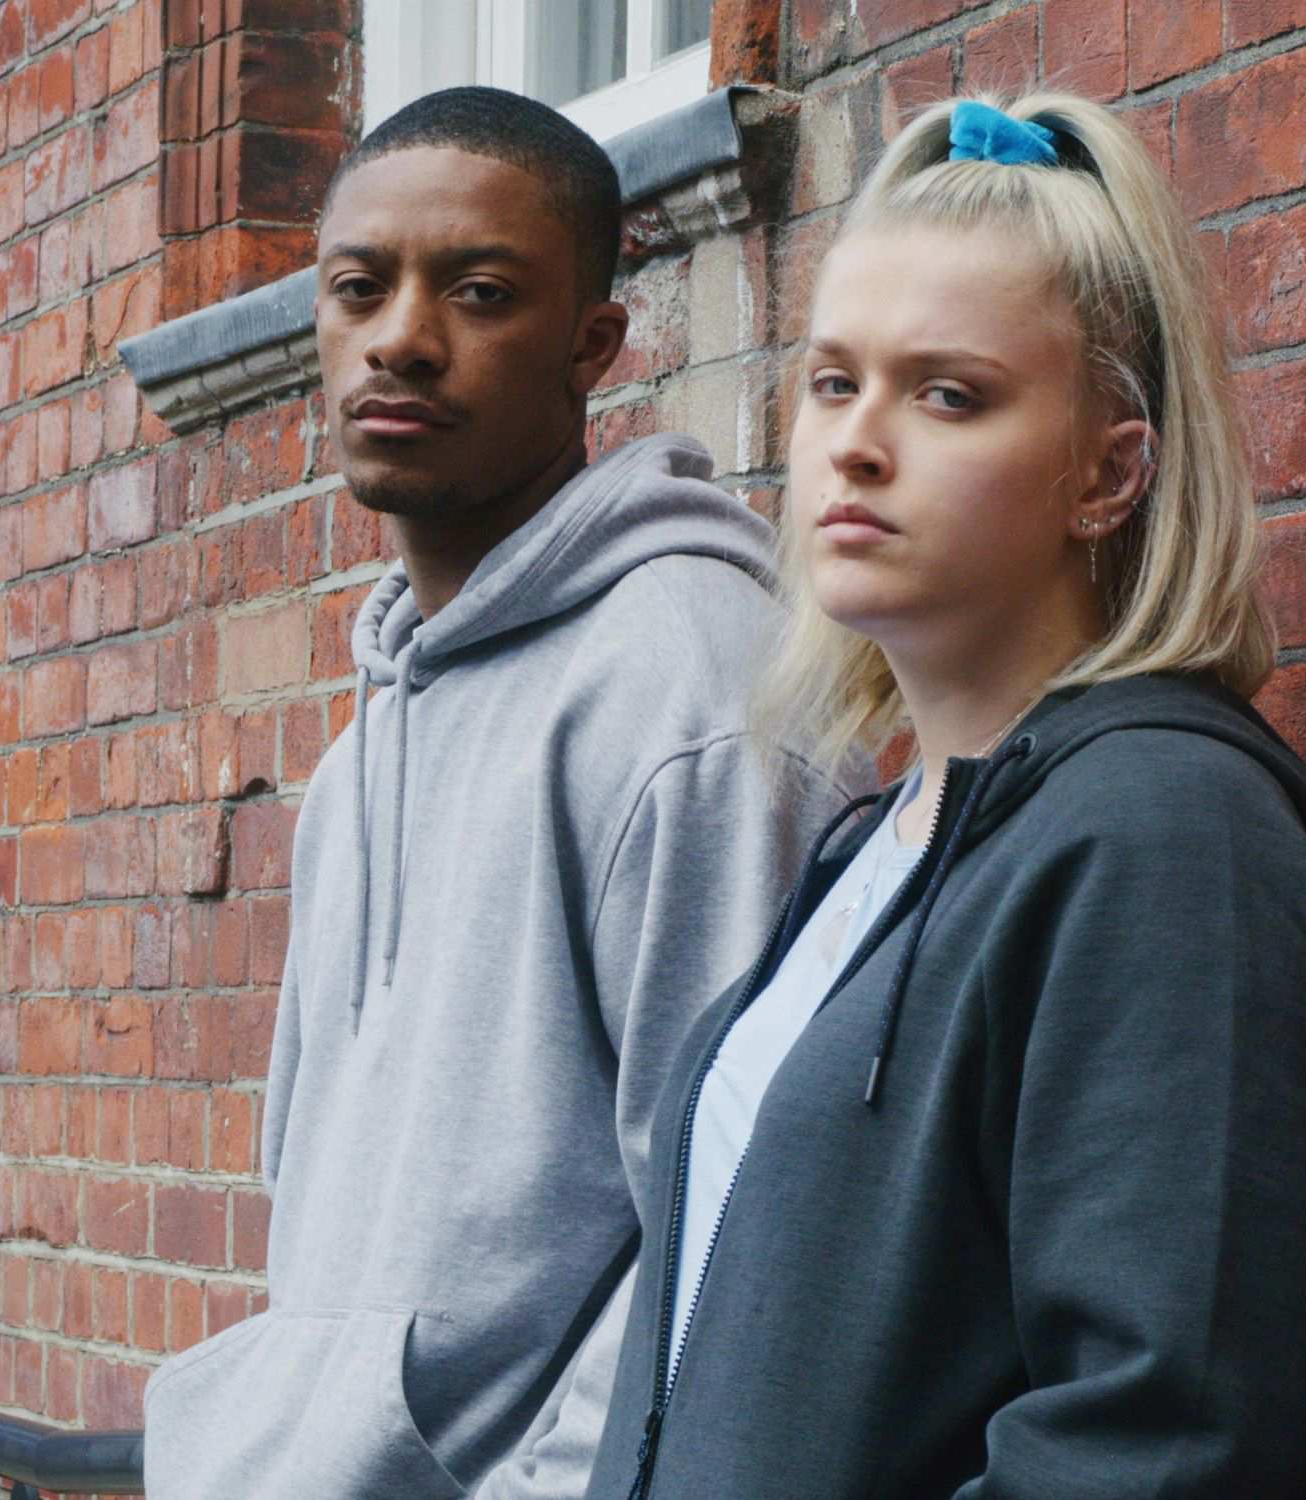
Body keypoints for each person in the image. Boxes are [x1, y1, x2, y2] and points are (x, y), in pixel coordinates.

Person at [585, 92, 1306, 1499]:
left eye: (948, 394)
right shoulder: (880, 841)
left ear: (1108, 475)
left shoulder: (1165, 836)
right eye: (830, 383)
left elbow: (1165, 1442)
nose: (855, 445)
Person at [137, 88, 861, 1498]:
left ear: (592, 344)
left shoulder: (694, 694)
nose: (399, 337)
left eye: (476, 291)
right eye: (358, 289)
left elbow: (740, 1220)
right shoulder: (358, 752)